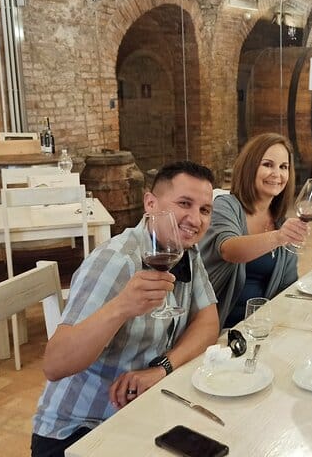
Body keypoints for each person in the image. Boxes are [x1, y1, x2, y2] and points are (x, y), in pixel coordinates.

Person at [31, 161, 220, 457]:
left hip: (139, 414)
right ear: (150, 204)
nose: (195, 219)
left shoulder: (185, 252)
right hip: (80, 432)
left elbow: (208, 322)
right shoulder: (117, 261)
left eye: (205, 210)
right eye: (184, 204)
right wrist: (121, 307)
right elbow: (54, 364)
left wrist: (161, 368)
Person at [200, 133, 307, 328]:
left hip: (260, 326)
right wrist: (279, 237)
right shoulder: (227, 206)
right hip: (220, 327)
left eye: (283, 167)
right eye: (268, 165)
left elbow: (287, 286)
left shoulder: (280, 222)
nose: (277, 174)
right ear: (250, 167)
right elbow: (229, 250)